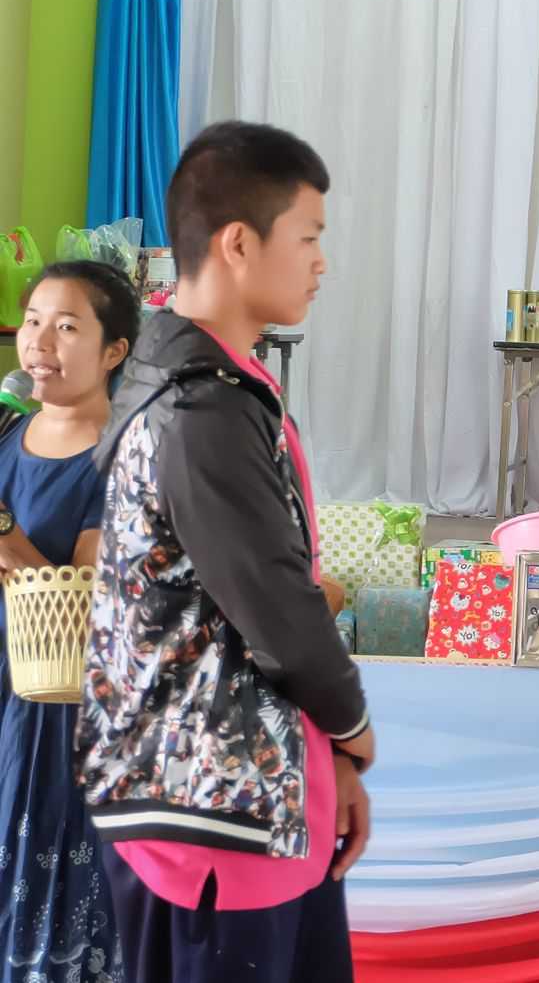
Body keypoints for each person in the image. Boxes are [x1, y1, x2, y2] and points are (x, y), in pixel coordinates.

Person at [78, 122, 374, 983]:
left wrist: (326, 761)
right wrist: (353, 728)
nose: (321, 261)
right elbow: (276, 603)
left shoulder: (210, 378)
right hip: (211, 814)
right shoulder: (199, 408)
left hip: (247, 793)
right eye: (309, 237)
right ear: (239, 243)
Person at [0, 261, 139, 982]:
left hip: (58, 705)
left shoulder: (120, 455)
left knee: (46, 868)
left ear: (114, 351)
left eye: (66, 326)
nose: (39, 342)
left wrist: (3, 531)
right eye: (32, 322)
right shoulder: (5, 431)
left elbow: (80, 599)